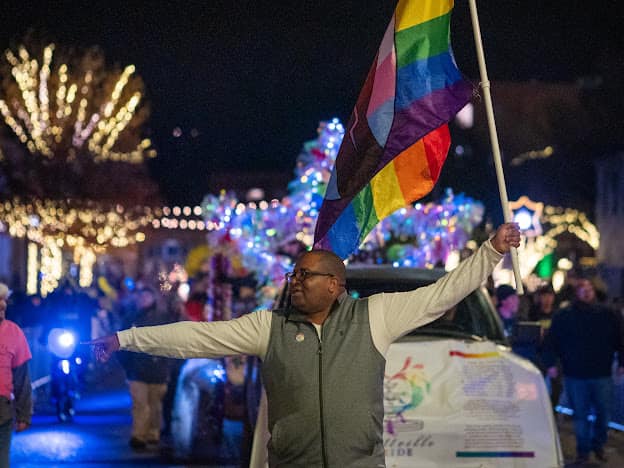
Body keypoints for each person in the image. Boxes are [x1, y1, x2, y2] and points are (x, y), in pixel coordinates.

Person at [88, 223, 520, 467]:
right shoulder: (269, 327)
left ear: (334, 285)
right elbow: (199, 337)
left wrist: (491, 252)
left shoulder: (374, 316)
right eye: (293, 275)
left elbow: (442, 293)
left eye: (305, 275)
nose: (294, 281)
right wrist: (126, 338)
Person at [542, 279, 624, 464]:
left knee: (603, 414)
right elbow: (552, 341)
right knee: (580, 415)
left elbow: (620, 337)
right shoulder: (565, 315)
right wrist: (552, 364)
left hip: (601, 372)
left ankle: (598, 444)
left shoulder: (608, 314)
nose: (586, 293)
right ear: (576, 292)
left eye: (589, 289)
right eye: (582, 289)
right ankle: (583, 451)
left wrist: (621, 361)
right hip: (575, 373)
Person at [117, 287, 172, 450]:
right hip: (137, 371)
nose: (143, 300)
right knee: (140, 404)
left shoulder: (162, 318)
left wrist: (166, 365)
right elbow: (121, 341)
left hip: (158, 370)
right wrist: (127, 365)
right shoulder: (131, 318)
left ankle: (153, 433)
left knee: (155, 405)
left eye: (147, 296)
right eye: (141, 297)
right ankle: (139, 435)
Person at [0, 283, 32, 468]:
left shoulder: (13, 332)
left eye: (4, 301)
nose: (3, 306)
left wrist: (24, 415)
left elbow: (22, 378)